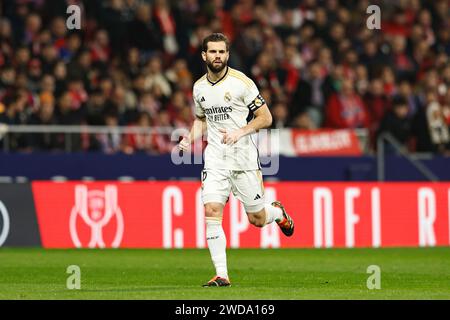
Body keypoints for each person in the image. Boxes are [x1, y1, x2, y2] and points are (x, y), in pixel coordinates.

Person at [178, 33, 295, 287]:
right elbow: (201, 119)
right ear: (204, 55)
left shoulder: (242, 83)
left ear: (227, 55)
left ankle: (277, 212)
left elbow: (266, 117)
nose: (217, 56)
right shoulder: (199, 88)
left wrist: (240, 132)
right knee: (211, 210)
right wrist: (189, 138)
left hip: (243, 158)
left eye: (222, 52)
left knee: (257, 220)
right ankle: (222, 274)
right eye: (213, 52)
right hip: (215, 159)